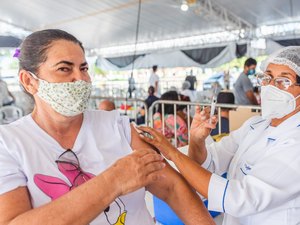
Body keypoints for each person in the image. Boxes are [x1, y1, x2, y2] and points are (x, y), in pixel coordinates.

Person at [0, 29, 215, 225]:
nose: (80, 79)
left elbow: (172, 187)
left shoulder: (116, 126)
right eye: (64, 69)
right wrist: (113, 180)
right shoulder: (9, 144)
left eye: (83, 68)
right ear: (29, 81)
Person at [139, 46, 300, 225]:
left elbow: (240, 198)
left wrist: (173, 153)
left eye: (284, 81)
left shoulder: (295, 140)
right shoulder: (255, 125)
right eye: (267, 78)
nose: (270, 87)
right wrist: (197, 141)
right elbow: (212, 161)